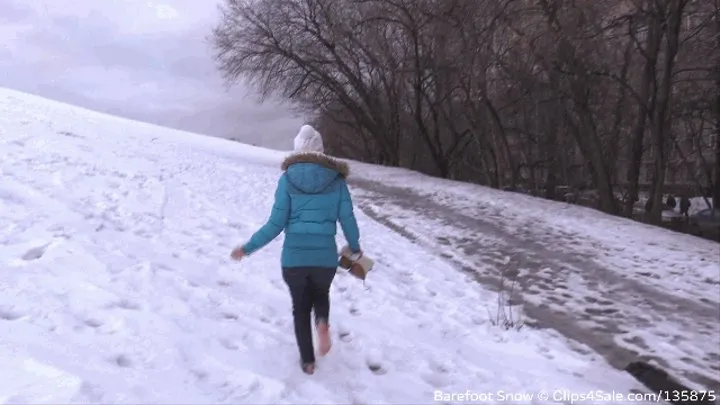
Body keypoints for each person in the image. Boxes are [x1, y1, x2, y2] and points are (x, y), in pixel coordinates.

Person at [229, 124, 362, 375]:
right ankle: (322, 323)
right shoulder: (337, 181)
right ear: (321, 149)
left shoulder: (287, 179)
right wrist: (354, 248)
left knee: (300, 307)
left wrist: (247, 248)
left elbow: (275, 224)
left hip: (294, 259)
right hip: (324, 258)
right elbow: (348, 220)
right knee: (321, 293)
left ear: (297, 149)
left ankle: (308, 362)